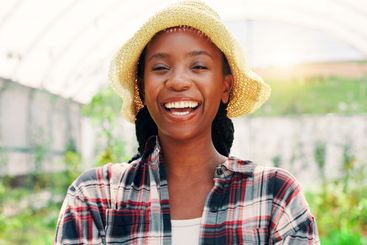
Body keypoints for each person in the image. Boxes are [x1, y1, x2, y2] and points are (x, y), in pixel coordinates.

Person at [55, 1, 319, 244]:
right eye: (160, 68)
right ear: (142, 89)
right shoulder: (95, 197)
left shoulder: (274, 196)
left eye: (199, 66)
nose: (178, 81)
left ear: (225, 87)